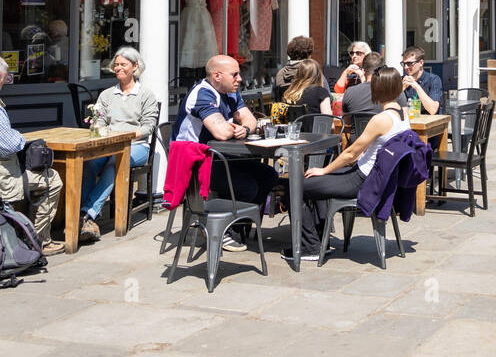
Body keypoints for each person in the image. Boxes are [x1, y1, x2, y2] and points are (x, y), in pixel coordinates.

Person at [294, 65, 411, 259]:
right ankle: (320, 238)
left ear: (377, 89)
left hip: (363, 179)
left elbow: (351, 153)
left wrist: (325, 170)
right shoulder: (403, 115)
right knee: (314, 182)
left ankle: (310, 247)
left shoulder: (381, 119)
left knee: (299, 185)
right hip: (379, 178)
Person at [172, 55, 278, 251]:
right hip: (195, 162)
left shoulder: (230, 91)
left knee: (269, 175)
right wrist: (236, 126)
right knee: (248, 187)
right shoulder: (203, 94)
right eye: (235, 74)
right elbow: (221, 132)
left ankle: (235, 226)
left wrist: (244, 129)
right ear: (217, 76)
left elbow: (250, 121)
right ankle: (218, 227)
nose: (240, 79)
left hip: (221, 157)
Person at [78, 49, 159, 244]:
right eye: (116, 64)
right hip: (109, 145)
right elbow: (100, 121)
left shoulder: (145, 95)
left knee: (114, 163)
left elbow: (148, 127)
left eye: (123, 64)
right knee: (89, 164)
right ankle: (78, 215)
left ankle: (88, 214)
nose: (118, 68)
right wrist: (100, 128)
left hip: (137, 147)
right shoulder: (107, 95)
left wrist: (126, 136)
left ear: (135, 67)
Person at [0, 56, 63, 255]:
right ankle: (39, 240)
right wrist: (19, 137)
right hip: (5, 178)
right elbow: (9, 145)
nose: (5, 82)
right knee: (53, 180)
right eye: (4, 78)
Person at [342, 52, 408, 123]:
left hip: (359, 134)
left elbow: (346, 121)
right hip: (386, 133)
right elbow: (405, 117)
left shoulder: (350, 92)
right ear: (383, 70)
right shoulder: (395, 91)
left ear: (363, 71)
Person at [401, 48, 443, 116]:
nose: (406, 67)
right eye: (404, 64)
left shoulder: (433, 80)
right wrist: (401, 90)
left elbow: (433, 110)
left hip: (429, 123)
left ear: (421, 63)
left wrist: (417, 87)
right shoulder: (401, 80)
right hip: (407, 123)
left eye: (409, 64)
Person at [332, 42, 370, 110]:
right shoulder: (349, 71)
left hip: (365, 105)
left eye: (358, 53)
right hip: (350, 105)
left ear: (366, 55)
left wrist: (361, 74)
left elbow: (368, 90)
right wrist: (345, 73)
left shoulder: (369, 70)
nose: (354, 56)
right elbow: (338, 91)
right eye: (352, 53)